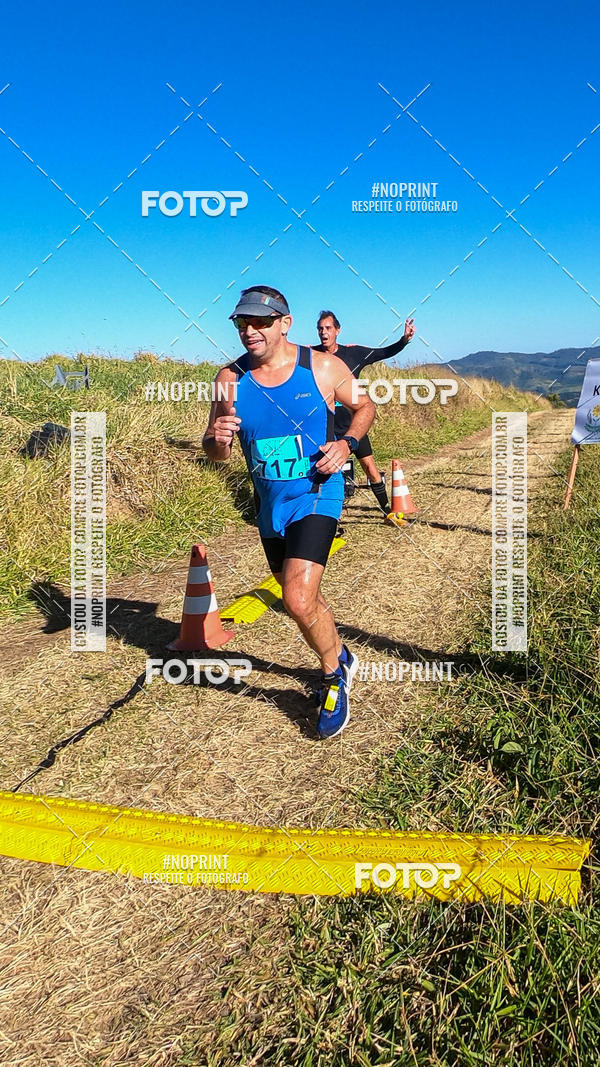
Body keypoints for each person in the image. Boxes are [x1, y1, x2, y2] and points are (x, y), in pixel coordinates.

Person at [202, 285, 375, 740]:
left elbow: (364, 406)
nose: (250, 330)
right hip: (270, 506)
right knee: (299, 595)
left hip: (318, 491)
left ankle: (332, 676)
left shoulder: (322, 367)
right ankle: (341, 652)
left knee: (297, 598)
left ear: (285, 323)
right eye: (243, 323)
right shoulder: (228, 379)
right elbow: (215, 451)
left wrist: (347, 443)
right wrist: (216, 441)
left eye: (260, 321)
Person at [314, 311, 416, 516]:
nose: (324, 333)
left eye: (328, 328)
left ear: (337, 330)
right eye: (320, 329)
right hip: (327, 426)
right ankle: (327, 519)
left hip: (353, 425)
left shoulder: (354, 353)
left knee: (371, 469)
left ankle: (387, 510)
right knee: (327, 475)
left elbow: (383, 353)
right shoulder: (312, 355)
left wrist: (404, 340)